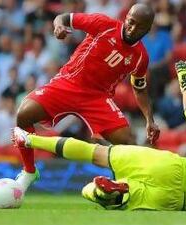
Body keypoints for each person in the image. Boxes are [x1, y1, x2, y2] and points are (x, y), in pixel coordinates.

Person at [11, 61, 186, 213]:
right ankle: (114, 193)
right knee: (101, 193)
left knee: (98, 154)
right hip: (174, 202)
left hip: (171, 167)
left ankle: (29, 139)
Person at [14, 4, 160, 188]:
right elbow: (64, 17)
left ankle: (126, 185)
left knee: (127, 141)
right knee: (23, 115)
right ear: (126, 17)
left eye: (140, 27)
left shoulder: (141, 57)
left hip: (97, 98)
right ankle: (29, 171)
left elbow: (139, 89)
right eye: (131, 22)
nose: (133, 28)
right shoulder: (103, 24)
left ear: (148, 29)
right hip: (68, 83)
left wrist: (149, 119)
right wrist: (58, 26)